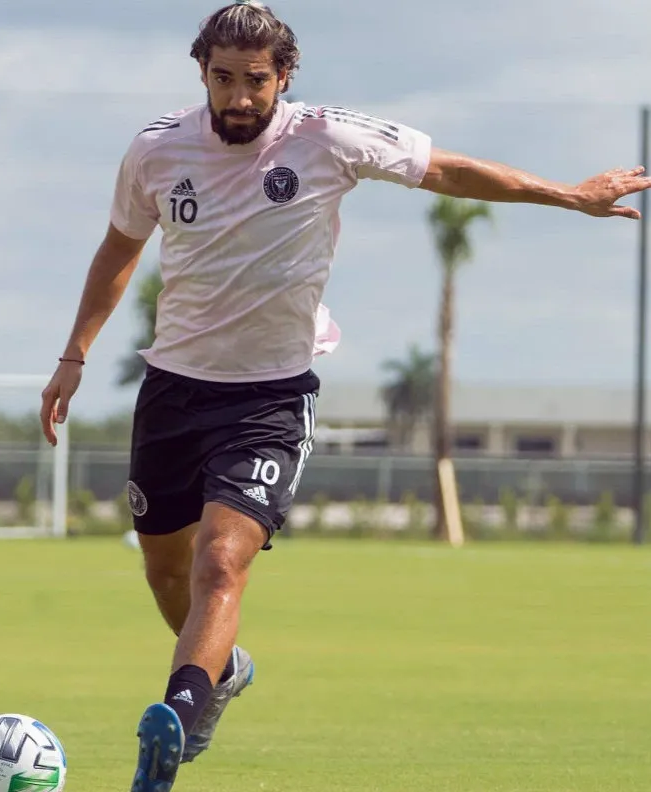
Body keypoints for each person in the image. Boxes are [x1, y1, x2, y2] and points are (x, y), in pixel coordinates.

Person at [40, 2, 651, 789]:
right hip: (173, 390)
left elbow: (448, 169)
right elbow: (120, 247)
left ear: (284, 76)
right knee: (166, 570)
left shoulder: (327, 137)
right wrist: (74, 354)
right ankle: (223, 672)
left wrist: (569, 194)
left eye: (255, 81)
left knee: (221, 564)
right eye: (223, 79)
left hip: (268, 398)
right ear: (201, 73)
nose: (238, 98)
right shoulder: (157, 150)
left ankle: (174, 720)